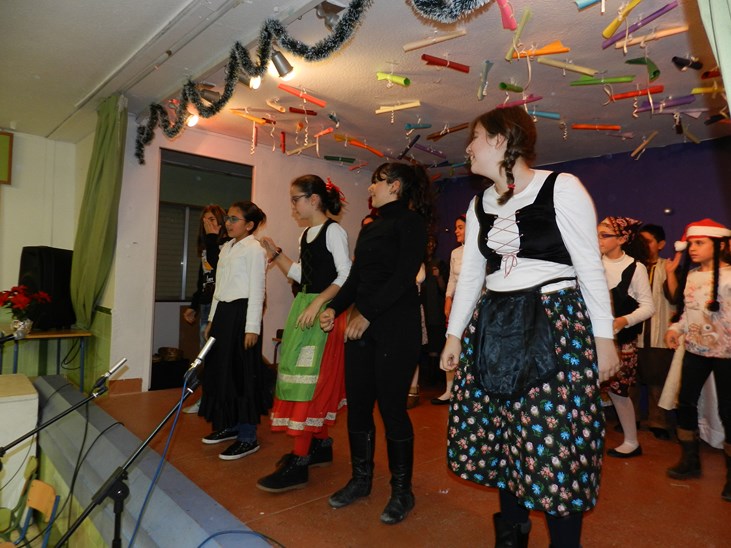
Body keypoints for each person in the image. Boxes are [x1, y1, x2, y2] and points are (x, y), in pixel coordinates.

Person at [440, 106, 619, 548]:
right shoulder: (479, 203)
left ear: (501, 140)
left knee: (555, 440)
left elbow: (589, 265)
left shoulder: (561, 187)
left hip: (554, 323)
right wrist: (454, 334)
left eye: (476, 137)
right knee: (505, 434)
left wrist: (605, 339)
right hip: (494, 324)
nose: (468, 147)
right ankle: (512, 535)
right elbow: (472, 275)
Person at [319, 162, 433, 525]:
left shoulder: (411, 223)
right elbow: (356, 278)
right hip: (362, 328)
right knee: (358, 406)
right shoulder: (370, 227)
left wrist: (365, 314)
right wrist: (334, 308)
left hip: (395, 328)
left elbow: (403, 277)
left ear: (395, 186)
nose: (370, 188)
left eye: (377, 182)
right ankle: (361, 480)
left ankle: (402, 491)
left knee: (392, 409)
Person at [256, 175, 351, 492]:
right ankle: (319, 445)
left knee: (312, 381)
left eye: (296, 199)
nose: (293, 205)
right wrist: (276, 254)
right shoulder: (306, 234)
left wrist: (320, 302)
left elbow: (346, 274)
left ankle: (300, 460)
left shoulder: (333, 231)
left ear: (314, 199)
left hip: (324, 313)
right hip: (306, 306)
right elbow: (301, 274)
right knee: (300, 376)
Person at [198, 201, 272, 460]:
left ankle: (248, 437)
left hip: (242, 315)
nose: (227, 223)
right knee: (223, 372)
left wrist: (252, 328)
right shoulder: (227, 248)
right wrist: (211, 319)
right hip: (223, 315)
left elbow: (257, 290)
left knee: (242, 374)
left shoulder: (254, 249)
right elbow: (219, 288)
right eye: (227, 218)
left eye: (234, 219)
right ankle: (230, 425)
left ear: (249, 225)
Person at [664, 219, 731, 502]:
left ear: (721, 245)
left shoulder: (729, 277)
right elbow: (687, 312)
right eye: (691, 243)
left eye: (700, 243)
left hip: (727, 354)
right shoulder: (691, 276)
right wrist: (675, 328)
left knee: (729, 410)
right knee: (685, 402)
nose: (693, 248)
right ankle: (690, 460)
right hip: (696, 350)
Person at [598, 216, 655, 458]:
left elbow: (648, 307)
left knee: (618, 392)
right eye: (597, 234)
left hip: (621, 342)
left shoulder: (635, 268)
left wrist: (623, 321)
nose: (598, 239)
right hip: (591, 338)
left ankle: (631, 441)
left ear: (622, 239)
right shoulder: (591, 263)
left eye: (604, 235)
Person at [182, 205, 229, 414]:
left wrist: (212, 239)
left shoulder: (227, 245)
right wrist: (194, 305)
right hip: (206, 304)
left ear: (221, 221)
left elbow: (218, 267)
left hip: (220, 306)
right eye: (204, 220)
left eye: (212, 219)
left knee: (215, 355)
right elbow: (203, 279)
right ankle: (207, 398)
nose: (207, 224)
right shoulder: (206, 246)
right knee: (205, 355)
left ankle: (213, 400)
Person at [635, 224, 677, 439]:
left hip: (659, 333)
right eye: (640, 241)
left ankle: (658, 421)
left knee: (657, 379)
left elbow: (675, 297)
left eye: (648, 241)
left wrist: (671, 273)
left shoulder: (668, 267)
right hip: (633, 333)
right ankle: (631, 418)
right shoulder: (633, 266)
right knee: (630, 379)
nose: (643, 245)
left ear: (661, 244)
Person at [432, 215, 465, 405]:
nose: (456, 231)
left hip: (475, 304)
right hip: (457, 304)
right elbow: (452, 279)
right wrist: (447, 299)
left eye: (460, 227)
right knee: (451, 343)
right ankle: (449, 390)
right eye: (455, 227)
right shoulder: (455, 253)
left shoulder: (479, 250)